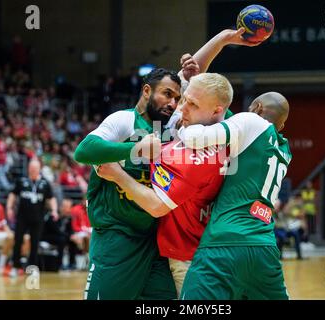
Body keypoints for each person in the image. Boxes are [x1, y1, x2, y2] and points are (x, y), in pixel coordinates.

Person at [73, 27, 255, 300]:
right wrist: (133, 149)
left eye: (177, 99)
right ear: (146, 91)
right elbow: (84, 151)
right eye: (166, 95)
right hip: (118, 236)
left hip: (156, 239)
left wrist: (224, 40)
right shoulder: (123, 120)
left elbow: (195, 84)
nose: (173, 103)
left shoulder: (171, 124)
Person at [96, 72, 232, 296]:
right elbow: (205, 93)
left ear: (216, 111)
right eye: (183, 99)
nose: (181, 108)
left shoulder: (196, 157)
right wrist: (222, 41)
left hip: (189, 255)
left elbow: (157, 206)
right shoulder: (223, 132)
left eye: (191, 103)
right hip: (208, 248)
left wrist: (117, 174)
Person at [173, 90, 291, 300]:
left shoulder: (251, 121)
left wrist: (181, 126)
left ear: (258, 109)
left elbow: (195, 138)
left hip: (225, 242)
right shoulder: (283, 149)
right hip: (264, 247)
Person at [6, 159, 58, 277]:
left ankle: (32, 268)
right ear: (28, 168)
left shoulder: (45, 183)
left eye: (35, 168)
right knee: (18, 241)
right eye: (31, 168)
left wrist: (54, 210)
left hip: (38, 218)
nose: (33, 170)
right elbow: (13, 194)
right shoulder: (21, 180)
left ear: (39, 169)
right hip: (22, 217)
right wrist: (9, 208)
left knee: (35, 243)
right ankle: (15, 266)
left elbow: (51, 198)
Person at [41, 198, 75, 270]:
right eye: (67, 207)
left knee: (72, 241)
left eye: (70, 207)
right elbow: (56, 230)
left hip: (61, 236)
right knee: (62, 240)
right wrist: (69, 236)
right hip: (48, 236)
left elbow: (70, 230)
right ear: (62, 207)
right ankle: (59, 263)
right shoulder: (54, 215)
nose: (69, 210)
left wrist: (72, 236)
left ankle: (72, 263)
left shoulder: (69, 218)